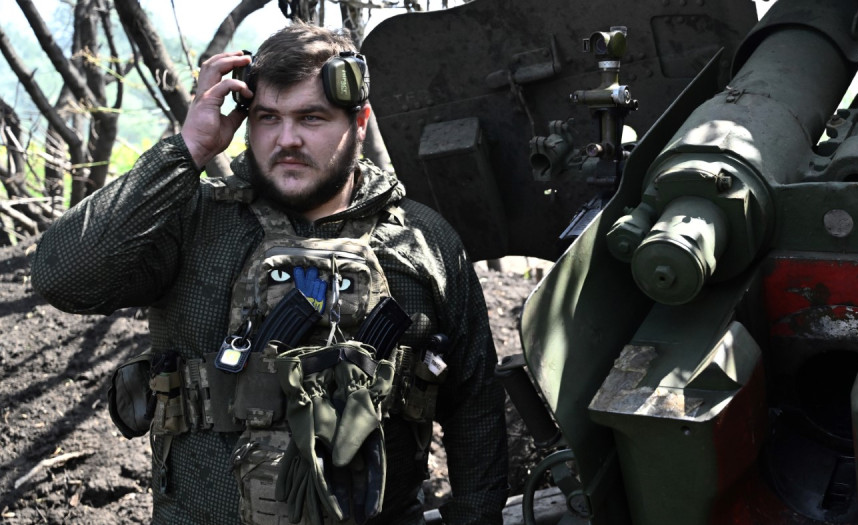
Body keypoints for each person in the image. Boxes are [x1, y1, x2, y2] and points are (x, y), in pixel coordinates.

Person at [30, 22, 507, 525]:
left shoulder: (423, 241)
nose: (287, 139)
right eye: (267, 118)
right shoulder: (192, 225)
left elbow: (473, 404)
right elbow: (62, 277)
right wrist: (188, 149)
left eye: (312, 117)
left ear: (359, 122)